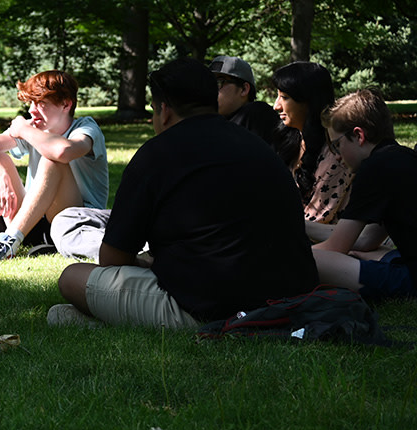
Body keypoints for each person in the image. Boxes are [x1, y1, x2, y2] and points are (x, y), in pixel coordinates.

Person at [51, 58, 318, 328]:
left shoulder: (156, 155)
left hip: (211, 306)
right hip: (289, 296)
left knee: (72, 277)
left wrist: (146, 264)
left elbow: (113, 259)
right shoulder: (258, 147)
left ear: (164, 110)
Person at [0, 70, 108, 265]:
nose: (32, 110)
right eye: (31, 103)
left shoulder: (86, 128)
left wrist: (23, 130)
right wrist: (1, 177)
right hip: (31, 221)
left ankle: (8, 241)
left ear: (66, 104)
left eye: (41, 103)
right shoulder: (35, 129)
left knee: (52, 161)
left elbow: (63, 152)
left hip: (73, 225)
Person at [311, 89, 417, 301]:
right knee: (360, 253)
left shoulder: (375, 168)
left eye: (337, 145)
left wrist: (289, 249)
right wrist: (297, 225)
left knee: (300, 259)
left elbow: (336, 248)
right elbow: (367, 240)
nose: (337, 157)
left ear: (359, 135)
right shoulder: (402, 157)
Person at [273, 61, 352, 224]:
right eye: (277, 96)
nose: (276, 106)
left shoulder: (335, 152)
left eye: (285, 98)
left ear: (309, 101)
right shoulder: (292, 140)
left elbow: (318, 218)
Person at [210, 55, 280, 142]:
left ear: (244, 89)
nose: (210, 89)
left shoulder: (257, 114)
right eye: (208, 83)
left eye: (219, 82)